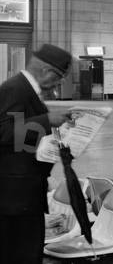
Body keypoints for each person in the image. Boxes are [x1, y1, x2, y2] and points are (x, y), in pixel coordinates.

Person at [0, 44, 73, 263]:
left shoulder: (27, 90)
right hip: (14, 195)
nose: (59, 83)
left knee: (27, 251)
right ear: (46, 71)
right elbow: (3, 132)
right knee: (19, 253)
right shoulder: (15, 89)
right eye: (59, 77)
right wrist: (46, 120)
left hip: (25, 191)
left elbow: (20, 139)